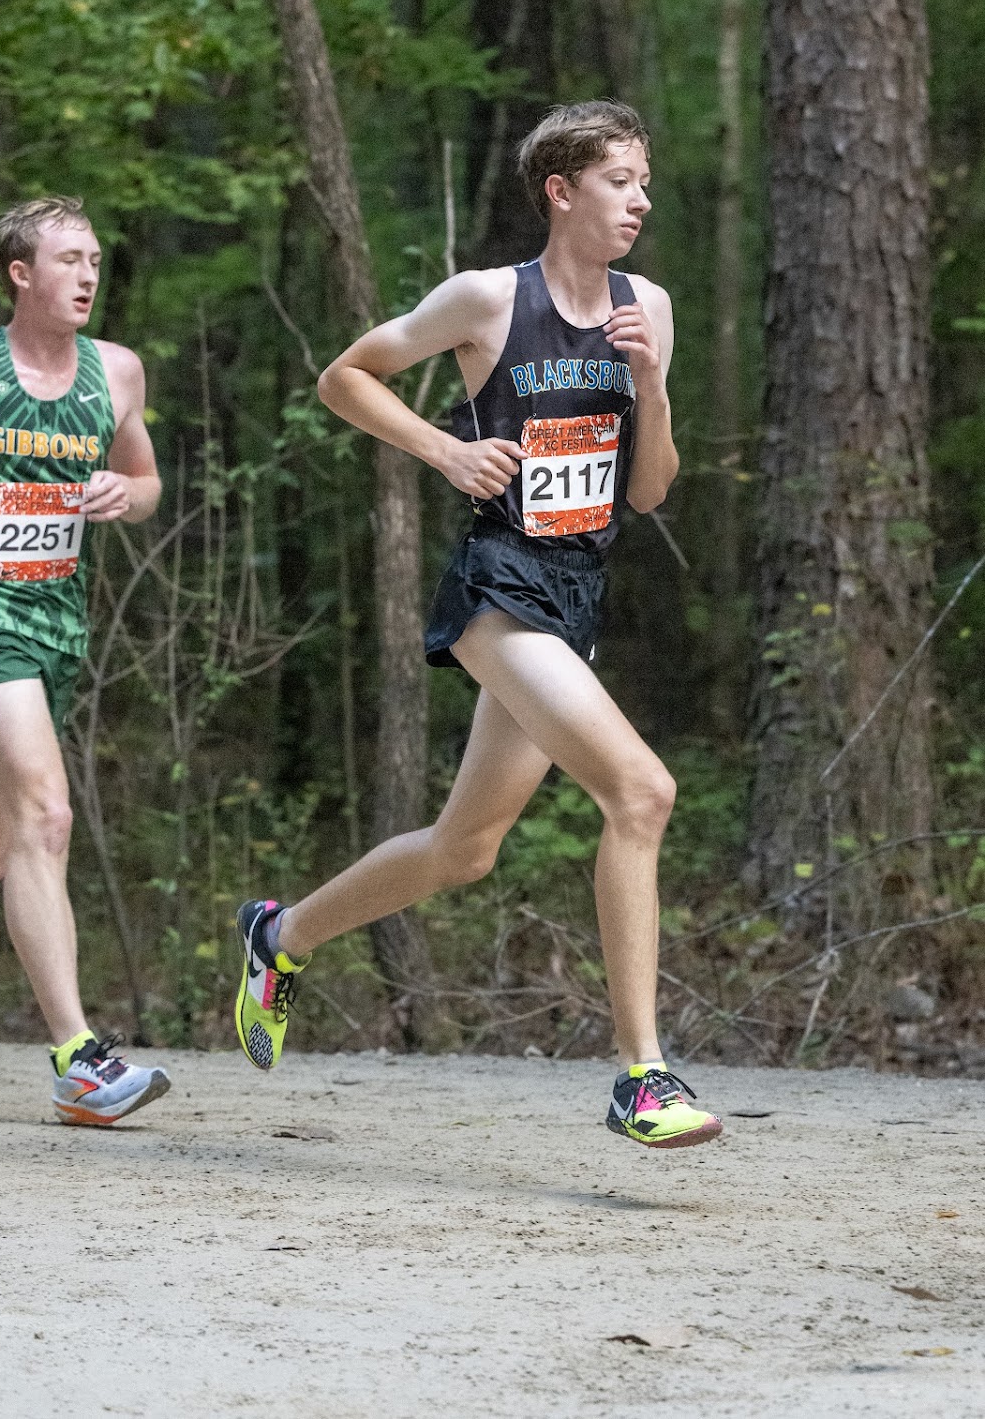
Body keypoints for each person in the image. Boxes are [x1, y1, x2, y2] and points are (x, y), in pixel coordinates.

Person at [235, 101, 721, 1149]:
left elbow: (647, 492)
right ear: (561, 191)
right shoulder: (487, 299)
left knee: (465, 850)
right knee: (641, 792)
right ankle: (642, 1076)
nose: (640, 200)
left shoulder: (649, 308)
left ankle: (280, 936)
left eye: (644, 182)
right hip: (498, 590)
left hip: (576, 594)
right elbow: (343, 376)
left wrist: (651, 387)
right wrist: (446, 451)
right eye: (621, 181)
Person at [0, 196, 171, 1125]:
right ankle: (77, 1060)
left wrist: (123, 494)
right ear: (21, 274)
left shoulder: (117, 371)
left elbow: (147, 481)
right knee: (48, 815)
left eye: (94, 260)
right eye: (69, 260)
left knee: (0, 843)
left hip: (57, 621)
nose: (89, 275)